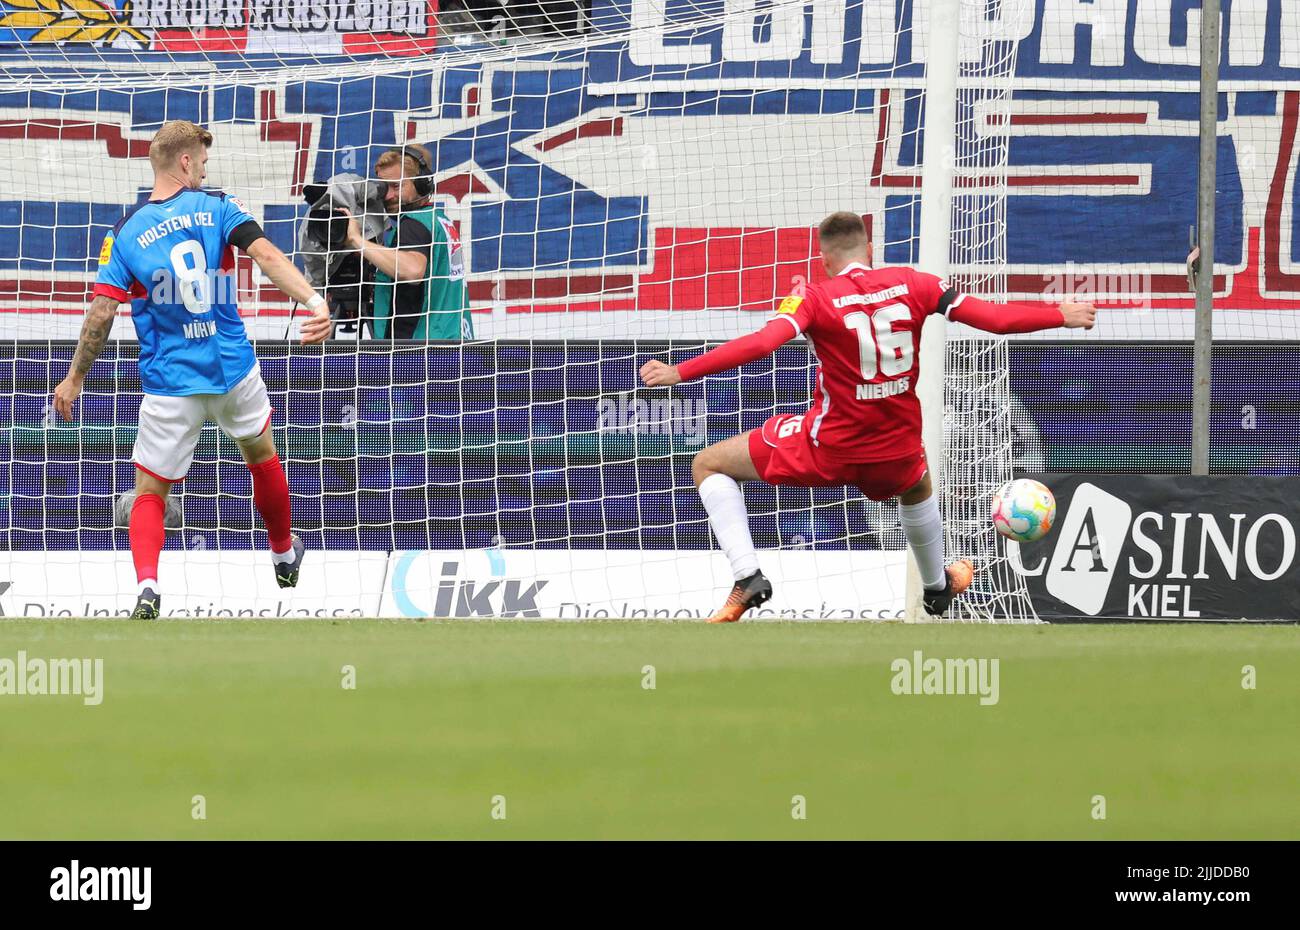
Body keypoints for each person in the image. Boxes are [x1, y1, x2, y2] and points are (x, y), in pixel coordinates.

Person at [640, 211, 1097, 622]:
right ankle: (937, 588)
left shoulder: (815, 298)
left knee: (709, 463)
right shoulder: (918, 283)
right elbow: (992, 319)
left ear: (824, 260)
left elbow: (762, 344)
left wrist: (681, 370)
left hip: (829, 448)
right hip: (895, 452)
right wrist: (1060, 314)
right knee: (917, 485)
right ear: (871, 249)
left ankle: (748, 579)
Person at [52, 120, 332, 619]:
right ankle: (284, 552)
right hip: (231, 369)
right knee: (262, 457)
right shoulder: (220, 207)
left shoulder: (125, 232)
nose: (205, 168)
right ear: (185, 161)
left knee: (150, 491)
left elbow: (101, 313)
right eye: (201, 160)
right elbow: (266, 255)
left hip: (170, 382)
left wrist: (74, 379)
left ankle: (147, 588)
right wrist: (314, 302)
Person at [340, 144, 473, 341]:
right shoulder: (439, 220)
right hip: (452, 341)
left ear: (421, 184)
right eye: (384, 187)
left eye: (397, 186)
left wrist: (356, 239)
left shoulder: (413, 225)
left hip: (422, 353)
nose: (389, 196)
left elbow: (412, 270)